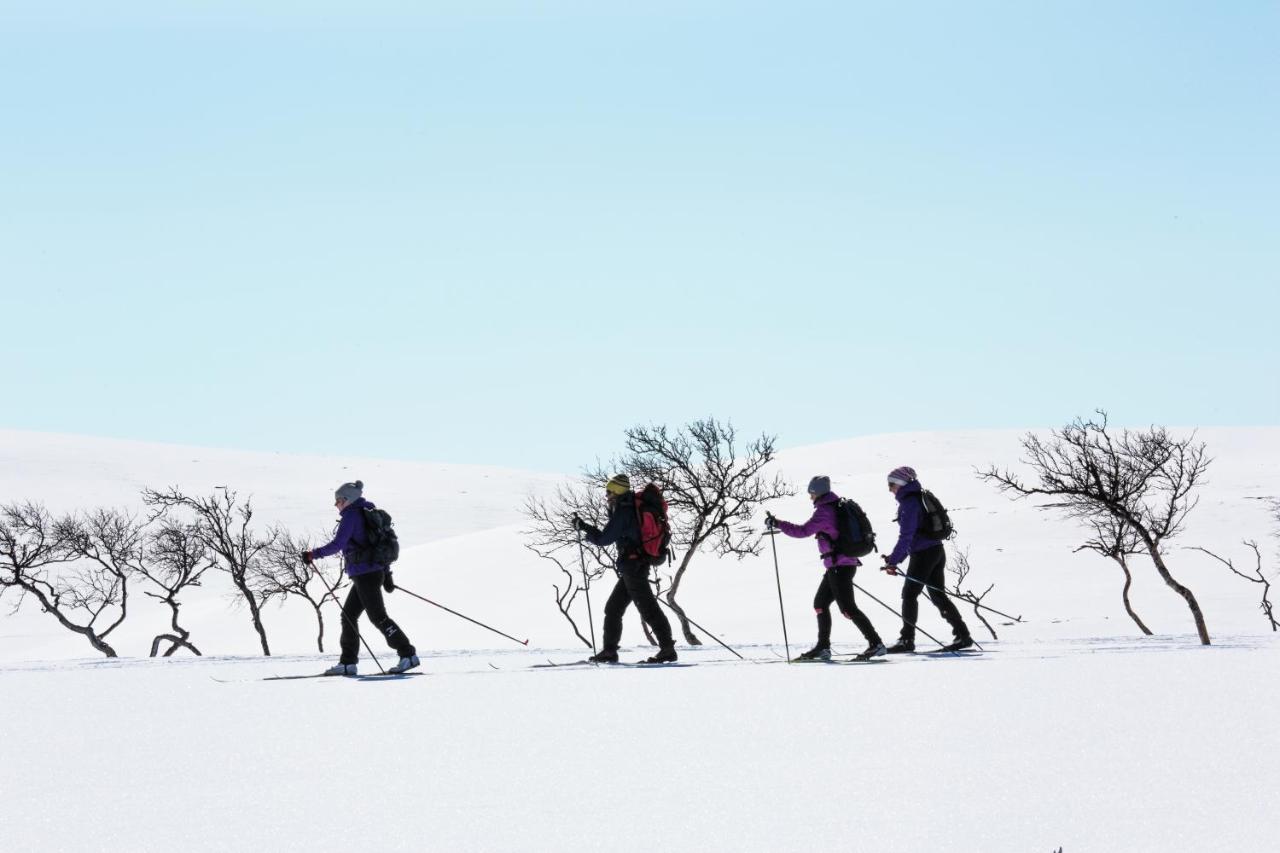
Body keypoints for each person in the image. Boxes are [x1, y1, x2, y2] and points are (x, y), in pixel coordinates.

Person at [302, 480, 420, 675]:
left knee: (378, 618)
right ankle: (348, 664)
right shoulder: (366, 514)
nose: (336, 505)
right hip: (369, 573)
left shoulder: (352, 516)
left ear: (347, 500)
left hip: (365, 574)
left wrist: (313, 554)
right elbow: (378, 546)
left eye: (338, 501)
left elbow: (338, 544)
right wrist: (387, 574)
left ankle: (407, 654)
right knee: (348, 616)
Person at [766, 475, 886, 661]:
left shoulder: (825, 512)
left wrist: (778, 523)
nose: (810, 497)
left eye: (811, 493)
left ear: (818, 493)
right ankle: (823, 647)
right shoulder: (835, 507)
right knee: (820, 604)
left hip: (840, 566)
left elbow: (802, 531)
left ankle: (875, 643)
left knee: (847, 608)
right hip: (838, 565)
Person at [572, 474, 678, 664]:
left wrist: (584, 528)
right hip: (635, 565)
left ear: (618, 491)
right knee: (613, 608)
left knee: (648, 609)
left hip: (633, 566)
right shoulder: (628, 508)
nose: (607, 496)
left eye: (609, 492)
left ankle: (667, 649)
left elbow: (604, 539)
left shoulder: (624, 511)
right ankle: (610, 651)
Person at [880, 466, 972, 653]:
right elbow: (913, 537)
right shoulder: (917, 498)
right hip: (936, 551)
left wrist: (893, 562)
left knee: (909, 595)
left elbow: (907, 537)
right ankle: (963, 636)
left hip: (923, 555)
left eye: (891, 484)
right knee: (938, 595)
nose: (889, 489)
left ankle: (907, 640)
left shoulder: (909, 504)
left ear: (901, 484)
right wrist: (894, 558)